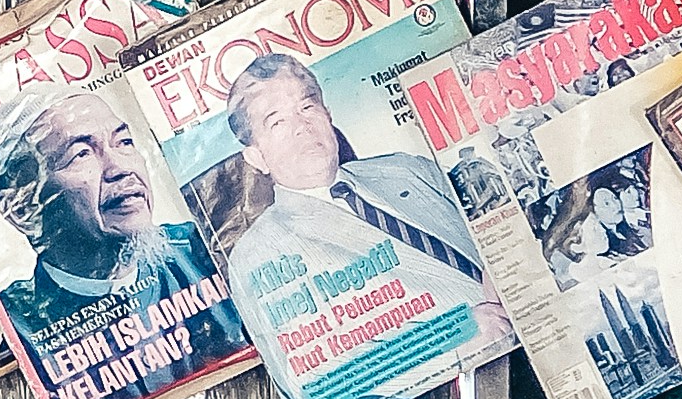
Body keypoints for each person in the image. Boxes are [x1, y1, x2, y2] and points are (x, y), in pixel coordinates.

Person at [198, 39, 489, 370]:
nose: (302, 127)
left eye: (307, 108)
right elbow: (314, 376)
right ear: (256, 156)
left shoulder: (407, 168)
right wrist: (453, 340)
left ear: (328, 116)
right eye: (276, 121)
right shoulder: (257, 256)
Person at [0, 81, 217, 356]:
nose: (120, 168)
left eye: (124, 143)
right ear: (22, 208)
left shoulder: (206, 246)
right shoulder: (14, 327)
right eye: (80, 154)